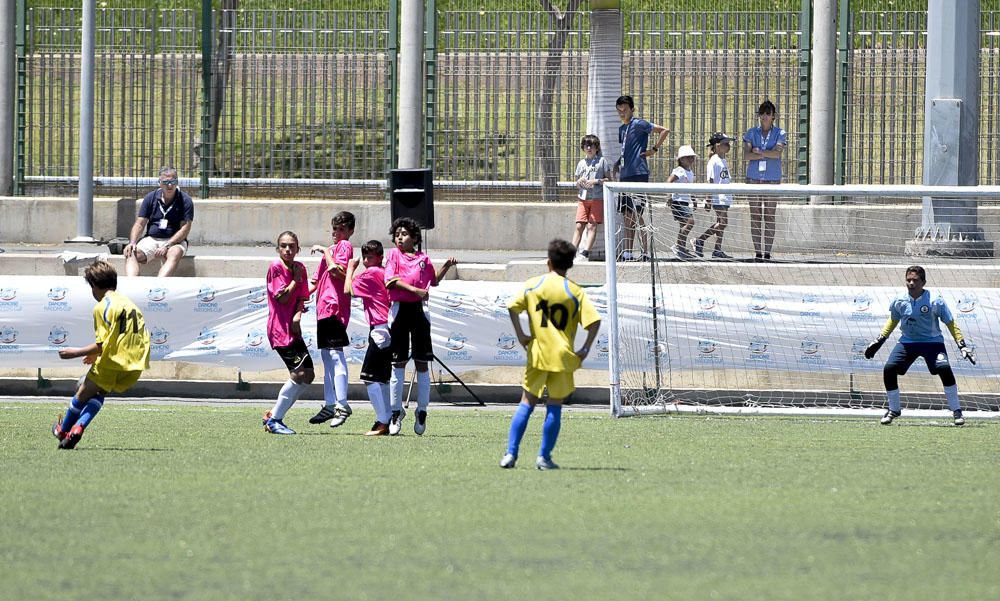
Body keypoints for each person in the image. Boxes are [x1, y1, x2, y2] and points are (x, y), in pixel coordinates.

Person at [500, 239, 601, 470]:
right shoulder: (574, 291)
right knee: (554, 405)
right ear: (571, 264)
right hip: (563, 357)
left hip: (537, 354)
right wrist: (584, 348)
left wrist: (521, 335)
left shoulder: (533, 285)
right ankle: (544, 458)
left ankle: (510, 454)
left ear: (548, 262)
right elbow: (594, 322)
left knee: (526, 402)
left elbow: (512, 308)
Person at [52, 260, 150, 450]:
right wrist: (97, 356)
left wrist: (75, 353)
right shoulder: (130, 304)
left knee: (81, 394)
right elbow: (120, 337)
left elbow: (102, 343)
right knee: (100, 392)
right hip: (135, 363)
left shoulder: (102, 307)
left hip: (113, 360)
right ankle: (77, 428)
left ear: (94, 286)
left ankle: (65, 430)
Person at [863, 266, 976, 426]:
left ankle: (957, 411)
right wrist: (880, 340)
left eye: (915, 280)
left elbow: (950, 323)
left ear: (923, 282)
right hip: (907, 342)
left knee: (944, 368)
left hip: (933, 343)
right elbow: (893, 320)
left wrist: (962, 345)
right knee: (889, 369)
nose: (911, 283)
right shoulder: (899, 300)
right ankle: (894, 409)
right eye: (908, 280)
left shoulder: (935, 300)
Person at [384, 217, 457, 436]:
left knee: (422, 363)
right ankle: (396, 412)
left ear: (415, 238)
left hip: (419, 313)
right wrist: (414, 291)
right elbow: (391, 280)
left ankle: (422, 410)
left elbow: (432, 281)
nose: (399, 237)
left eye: (404, 234)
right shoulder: (393, 255)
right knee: (398, 363)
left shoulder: (423, 259)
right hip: (399, 312)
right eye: (397, 234)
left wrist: (446, 266)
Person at [261, 231, 315, 435]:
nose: (288, 250)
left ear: (298, 249)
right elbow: (282, 298)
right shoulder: (276, 267)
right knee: (299, 373)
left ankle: (272, 415)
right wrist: (295, 280)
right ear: (278, 249)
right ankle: (275, 420)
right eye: (283, 246)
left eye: (292, 246)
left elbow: (302, 297)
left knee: (308, 374)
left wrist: (298, 316)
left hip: (292, 330)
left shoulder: (300, 267)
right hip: (278, 330)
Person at [307, 211, 356, 429]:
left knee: (336, 356)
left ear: (350, 231)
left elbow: (338, 272)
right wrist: (296, 300)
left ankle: (342, 404)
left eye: (341, 229)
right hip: (322, 310)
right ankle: (329, 404)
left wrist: (326, 251)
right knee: (327, 359)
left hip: (334, 308)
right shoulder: (331, 251)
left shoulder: (344, 247)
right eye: (334, 229)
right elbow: (315, 282)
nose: (337, 233)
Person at [345, 240, 393, 436]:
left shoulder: (372, 273)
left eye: (370, 257)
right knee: (382, 379)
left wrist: (350, 269)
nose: (365, 261)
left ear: (380, 257)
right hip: (388, 328)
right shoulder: (383, 272)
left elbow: (348, 289)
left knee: (369, 377)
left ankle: (383, 420)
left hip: (380, 329)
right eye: (364, 257)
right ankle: (388, 416)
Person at [614, 95, 670, 262]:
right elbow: (626, 151)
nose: (622, 113)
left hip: (638, 174)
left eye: (625, 110)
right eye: (619, 111)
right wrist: (618, 163)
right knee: (627, 216)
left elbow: (664, 130)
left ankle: (645, 252)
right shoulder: (621, 129)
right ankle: (628, 252)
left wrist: (653, 149)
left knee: (638, 214)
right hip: (625, 176)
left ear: (632, 109)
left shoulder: (639, 124)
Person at [123, 167, 195, 277]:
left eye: (173, 182)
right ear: (160, 183)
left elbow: (185, 228)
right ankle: (132, 284)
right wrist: (132, 242)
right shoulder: (150, 198)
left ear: (177, 182)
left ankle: (159, 286)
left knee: (175, 253)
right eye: (166, 182)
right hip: (152, 238)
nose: (170, 185)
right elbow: (140, 224)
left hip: (175, 241)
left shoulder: (185, 200)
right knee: (131, 252)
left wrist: (168, 245)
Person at [742, 100, 786, 261]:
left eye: (768, 113)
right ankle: (758, 252)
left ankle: (767, 252)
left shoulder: (780, 133)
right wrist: (767, 152)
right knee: (755, 215)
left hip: (772, 179)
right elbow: (747, 156)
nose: (765, 116)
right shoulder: (751, 133)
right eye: (762, 113)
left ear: (773, 116)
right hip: (754, 178)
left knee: (769, 215)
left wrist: (759, 151)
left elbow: (777, 154)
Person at [694, 132, 736, 259]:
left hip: (725, 197)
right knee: (723, 223)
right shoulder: (714, 161)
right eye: (725, 143)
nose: (728, 146)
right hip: (718, 197)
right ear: (717, 146)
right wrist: (708, 199)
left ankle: (717, 249)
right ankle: (700, 240)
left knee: (720, 223)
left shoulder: (723, 160)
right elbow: (710, 181)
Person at [572, 134, 611, 261]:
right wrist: (579, 182)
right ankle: (572, 252)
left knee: (592, 225)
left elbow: (609, 180)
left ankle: (585, 253)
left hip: (597, 198)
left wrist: (596, 181)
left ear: (597, 148)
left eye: (592, 146)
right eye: (586, 145)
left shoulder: (602, 161)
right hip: (583, 199)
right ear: (583, 147)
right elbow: (576, 181)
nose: (589, 148)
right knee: (579, 225)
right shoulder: (581, 163)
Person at [667, 144, 698, 260]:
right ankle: (678, 245)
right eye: (688, 157)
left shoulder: (690, 172)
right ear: (681, 159)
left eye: (692, 157)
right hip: (678, 201)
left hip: (684, 201)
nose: (691, 159)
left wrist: (694, 200)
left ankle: (681, 248)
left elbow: (691, 188)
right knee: (690, 222)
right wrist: (669, 196)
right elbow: (669, 181)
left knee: (683, 225)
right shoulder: (679, 171)